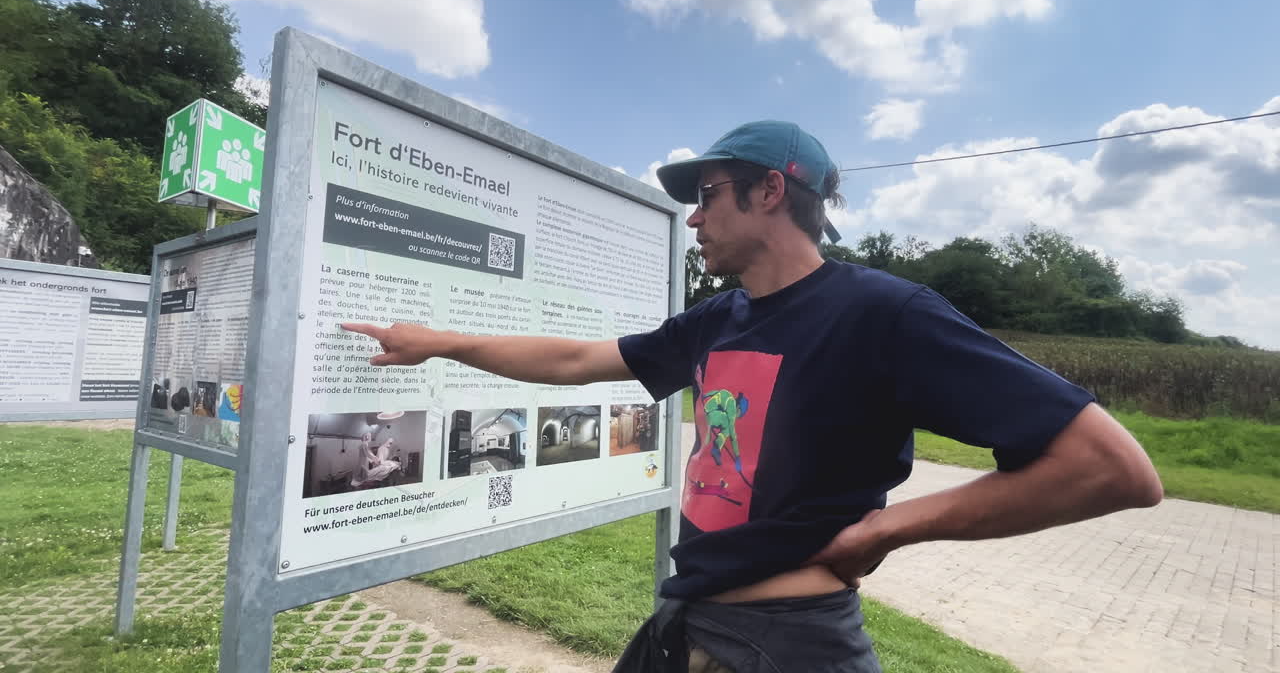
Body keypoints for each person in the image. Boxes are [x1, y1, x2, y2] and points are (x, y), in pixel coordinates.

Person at [342, 120, 1164, 672]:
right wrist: (439, 341)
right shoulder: (718, 319)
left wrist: (888, 527)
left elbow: (1111, 467)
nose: (693, 219)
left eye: (707, 195)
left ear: (769, 193)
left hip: (793, 645)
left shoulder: (884, 313)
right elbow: (575, 359)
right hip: (688, 619)